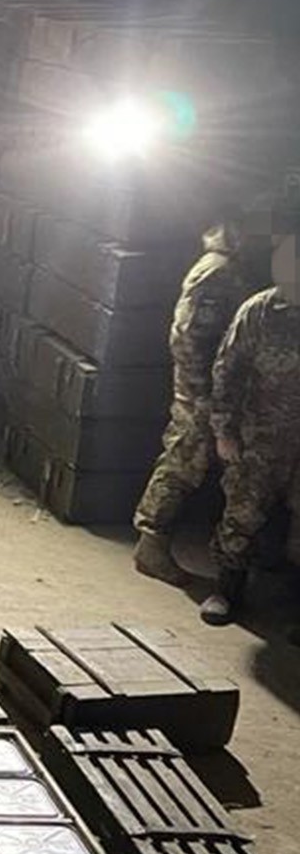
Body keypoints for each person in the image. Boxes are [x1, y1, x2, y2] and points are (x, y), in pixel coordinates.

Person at [132, 220, 268, 584]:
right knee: (184, 460)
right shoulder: (217, 271)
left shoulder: (230, 268)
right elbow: (189, 336)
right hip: (203, 390)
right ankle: (152, 542)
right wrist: (203, 395)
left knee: (192, 459)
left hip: (217, 387)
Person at [200, 226, 300, 625]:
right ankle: (227, 589)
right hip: (260, 436)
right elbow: (227, 370)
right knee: (242, 513)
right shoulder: (259, 311)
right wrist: (224, 430)